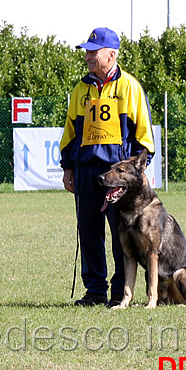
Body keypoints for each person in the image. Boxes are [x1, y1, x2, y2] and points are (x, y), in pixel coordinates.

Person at [60, 27, 155, 307]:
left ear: (111, 55)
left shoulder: (129, 87)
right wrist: (68, 168)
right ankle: (95, 291)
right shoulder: (81, 88)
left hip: (120, 177)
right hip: (88, 171)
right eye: (87, 51)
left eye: (93, 51)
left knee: (121, 235)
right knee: (89, 232)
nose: (88, 56)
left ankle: (119, 292)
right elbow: (70, 132)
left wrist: (136, 170)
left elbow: (144, 138)